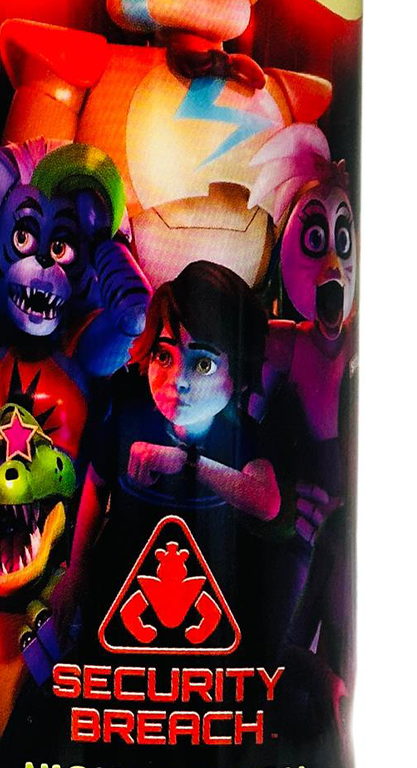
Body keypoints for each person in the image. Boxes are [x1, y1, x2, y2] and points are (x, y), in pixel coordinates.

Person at [59, 261, 281, 646]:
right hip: (122, 582)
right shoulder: (129, 413)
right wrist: (77, 569)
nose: (178, 380)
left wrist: (187, 462)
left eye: (203, 364)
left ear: (239, 374)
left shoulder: (236, 433)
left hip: (206, 596)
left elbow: (267, 501)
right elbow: (97, 481)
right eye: (164, 356)